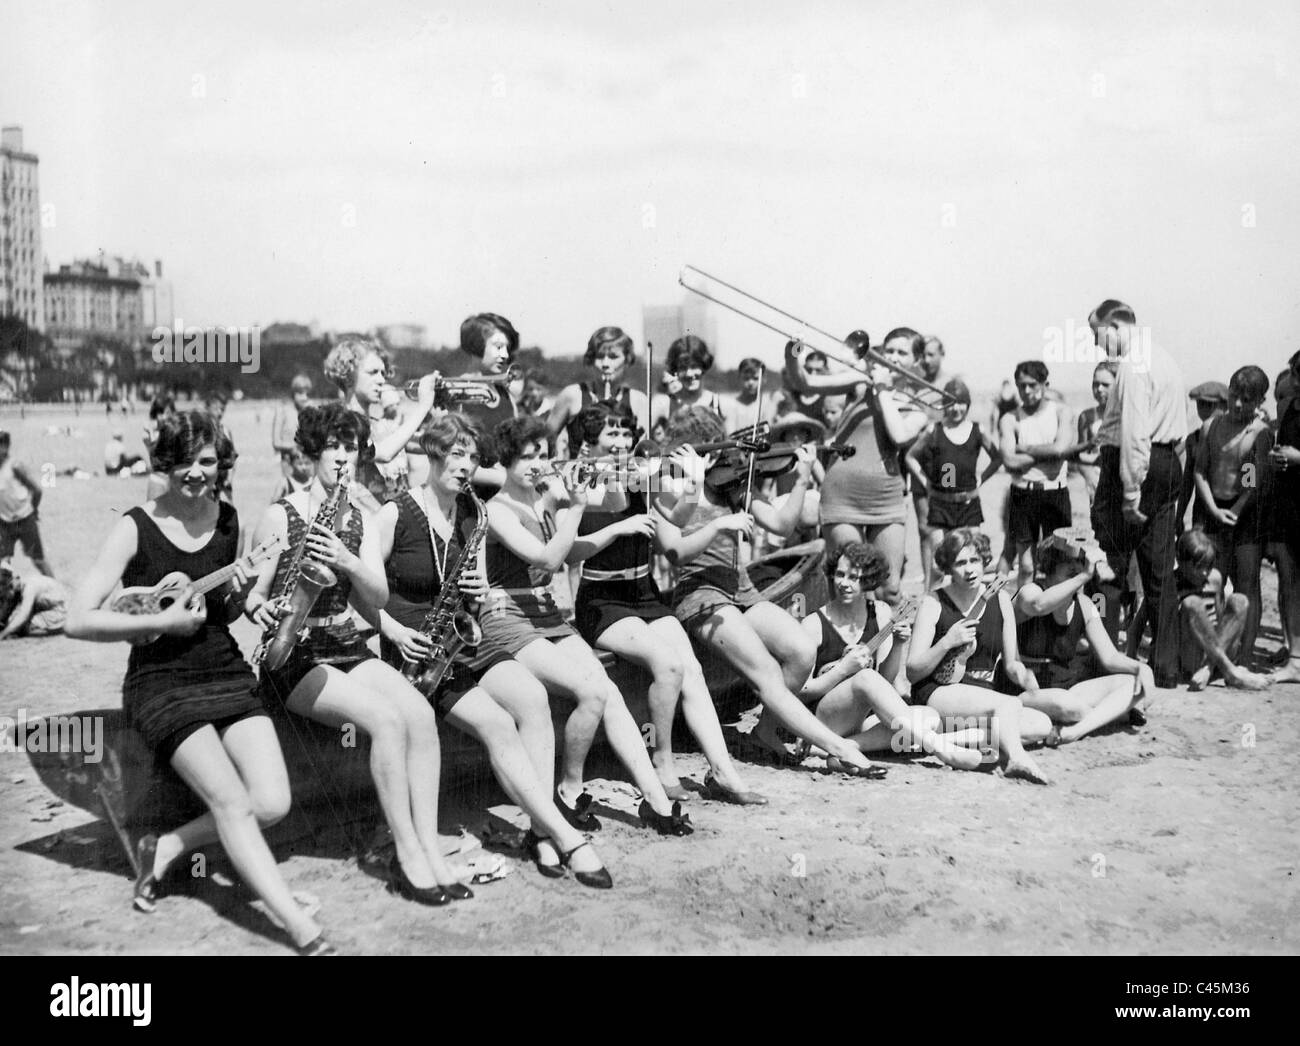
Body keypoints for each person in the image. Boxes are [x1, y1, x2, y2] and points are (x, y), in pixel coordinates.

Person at [65, 412, 331, 954]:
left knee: (273, 801)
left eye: (205, 460)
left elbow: (220, 609)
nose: (194, 472)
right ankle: (295, 924)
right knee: (232, 802)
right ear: (164, 463)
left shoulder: (228, 519)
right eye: (183, 460)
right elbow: (77, 618)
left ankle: (165, 845)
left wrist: (248, 600)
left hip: (223, 669)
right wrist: (160, 623)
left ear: (221, 464)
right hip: (161, 681)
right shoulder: (133, 526)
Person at [373, 412, 612, 887]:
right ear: (433, 454)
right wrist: (395, 633)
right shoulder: (395, 513)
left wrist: (480, 590)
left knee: (535, 700)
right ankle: (563, 835)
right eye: (456, 454)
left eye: (473, 457)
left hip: (464, 639)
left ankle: (540, 833)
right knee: (498, 724)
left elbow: (478, 587)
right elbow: (365, 595)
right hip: (418, 654)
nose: (465, 466)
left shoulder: (473, 514)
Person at [247, 402, 469, 905]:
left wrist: (346, 558)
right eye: (333, 447)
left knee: (418, 713)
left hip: (345, 642)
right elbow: (253, 597)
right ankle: (406, 852)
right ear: (312, 453)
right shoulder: (279, 514)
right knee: (386, 722)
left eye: (351, 447)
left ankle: (430, 846)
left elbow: (378, 597)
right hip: (294, 651)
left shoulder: (360, 519)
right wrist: (259, 608)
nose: (343, 458)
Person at [482, 414, 695, 836]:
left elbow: (574, 548)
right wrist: (576, 505)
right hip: (508, 618)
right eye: (525, 457)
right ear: (505, 463)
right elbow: (545, 559)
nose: (536, 464)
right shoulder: (497, 510)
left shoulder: (541, 499)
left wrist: (618, 522)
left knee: (610, 693)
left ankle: (655, 799)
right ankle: (569, 788)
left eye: (541, 455)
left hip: (546, 614)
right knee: (592, 691)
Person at [655, 406, 880, 775]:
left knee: (802, 650)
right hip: (700, 593)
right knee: (763, 671)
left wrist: (804, 474)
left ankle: (765, 731)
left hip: (741, 588)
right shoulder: (670, 488)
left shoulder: (733, 484)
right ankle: (836, 746)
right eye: (707, 454)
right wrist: (715, 519)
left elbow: (780, 524)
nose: (720, 461)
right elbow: (674, 551)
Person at [566, 401, 765, 804]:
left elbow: (674, 522)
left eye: (626, 433)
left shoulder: (641, 481)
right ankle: (663, 762)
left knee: (690, 666)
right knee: (669, 664)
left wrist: (691, 483)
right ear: (588, 444)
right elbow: (573, 550)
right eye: (612, 435)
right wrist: (623, 519)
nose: (624, 442)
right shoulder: (577, 486)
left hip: (643, 593)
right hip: (603, 600)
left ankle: (723, 772)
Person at [799, 543, 985, 770]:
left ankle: (839, 747)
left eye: (854, 577)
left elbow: (884, 682)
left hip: (863, 718)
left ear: (869, 580)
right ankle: (942, 748)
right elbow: (802, 692)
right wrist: (842, 670)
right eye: (840, 575)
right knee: (866, 678)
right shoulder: (813, 624)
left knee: (929, 717)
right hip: (824, 718)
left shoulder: (880, 612)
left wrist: (898, 644)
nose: (845, 583)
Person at [1088, 300, 1188, 688]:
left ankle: (1106, 664)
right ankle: (1166, 667)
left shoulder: (1132, 365)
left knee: (1110, 569)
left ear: (1115, 326)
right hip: (1166, 464)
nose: (1099, 346)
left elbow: (1134, 435)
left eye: (1098, 335)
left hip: (1135, 468)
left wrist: (1130, 492)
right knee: (1160, 572)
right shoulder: (1165, 359)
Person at [792, 328, 930, 604]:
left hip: (886, 498)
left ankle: (886, 647)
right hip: (843, 495)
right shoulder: (859, 382)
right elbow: (805, 382)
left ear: (916, 361)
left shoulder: (917, 406)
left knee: (889, 589)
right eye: (889, 350)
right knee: (848, 584)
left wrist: (882, 390)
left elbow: (899, 436)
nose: (892, 357)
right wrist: (792, 352)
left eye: (902, 353)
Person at [905, 528, 1054, 784]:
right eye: (960, 563)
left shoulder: (1002, 599)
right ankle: (1017, 758)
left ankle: (938, 740)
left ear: (985, 561)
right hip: (940, 689)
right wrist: (947, 641)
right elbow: (912, 671)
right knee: (1009, 706)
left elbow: (1011, 664)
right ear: (949, 568)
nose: (970, 570)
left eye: (975, 561)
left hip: (982, 692)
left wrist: (1023, 675)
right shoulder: (934, 603)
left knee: (1041, 724)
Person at [1012, 535, 1152, 741]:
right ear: (1050, 566)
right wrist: (1084, 576)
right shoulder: (1031, 590)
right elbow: (1038, 606)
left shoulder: (1084, 603)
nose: (1076, 567)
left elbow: (1110, 657)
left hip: (1069, 685)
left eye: (1079, 561)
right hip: (1030, 686)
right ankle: (1112, 714)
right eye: (1067, 562)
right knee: (1066, 705)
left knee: (1133, 684)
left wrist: (1141, 668)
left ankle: (1074, 731)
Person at [1192, 365, 1273, 671]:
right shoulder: (1211, 426)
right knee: (1212, 582)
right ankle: (1212, 655)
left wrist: (1236, 511)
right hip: (1213, 510)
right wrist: (1213, 509)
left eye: (1248, 400)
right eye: (1235, 396)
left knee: (1247, 586)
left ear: (1260, 401)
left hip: (1246, 515)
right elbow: (1200, 469)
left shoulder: (1259, 433)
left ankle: (1246, 655)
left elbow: (1252, 480)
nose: (1239, 404)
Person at [904, 379, 1001, 590]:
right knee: (938, 565)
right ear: (943, 405)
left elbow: (998, 457)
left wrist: (981, 478)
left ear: (968, 404)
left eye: (961, 403)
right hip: (940, 506)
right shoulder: (935, 430)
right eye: (951, 403)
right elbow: (911, 457)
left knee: (974, 559)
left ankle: (972, 606)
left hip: (969, 506)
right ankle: (932, 609)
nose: (956, 408)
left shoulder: (977, 430)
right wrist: (926, 482)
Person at [323, 337, 434, 507]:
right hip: (366, 523)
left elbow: (431, 445)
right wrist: (423, 406)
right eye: (373, 372)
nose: (382, 380)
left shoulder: (382, 425)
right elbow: (383, 453)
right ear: (348, 375)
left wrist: (438, 416)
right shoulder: (342, 423)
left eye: (383, 373)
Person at [999, 361, 1074, 589]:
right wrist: (1048, 452)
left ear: (1045, 384)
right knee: (1026, 565)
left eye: (1032, 385)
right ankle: (1023, 620)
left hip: (1055, 493)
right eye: (1021, 386)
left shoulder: (1061, 411)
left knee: (1058, 561)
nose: (1027, 391)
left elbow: (1061, 449)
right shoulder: (1010, 418)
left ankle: (1056, 617)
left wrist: (1026, 449)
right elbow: (1010, 461)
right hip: (1023, 493)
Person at [1172, 528, 1271, 690]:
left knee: (1240, 600)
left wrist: (1210, 663)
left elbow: (1220, 619)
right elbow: (1141, 621)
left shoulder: (1214, 579)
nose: (1204, 573)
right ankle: (1229, 671)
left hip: (1216, 653)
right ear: (1181, 560)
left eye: (1208, 566)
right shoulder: (1170, 583)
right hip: (1191, 655)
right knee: (1192, 603)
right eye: (1198, 567)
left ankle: (1211, 669)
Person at [547, 326, 652, 457]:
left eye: (613, 357)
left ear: (627, 359)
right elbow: (546, 440)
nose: (605, 363)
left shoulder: (638, 400)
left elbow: (643, 451)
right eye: (599, 356)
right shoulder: (572, 395)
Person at [1268, 350, 1300, 682]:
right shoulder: (1284, 412)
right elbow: (1253, 469)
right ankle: (1294, 653)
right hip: (1286, 504)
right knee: (1289, 581)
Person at [1176, 381, 1228, 531]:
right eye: (1201, 404)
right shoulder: (1194, 439)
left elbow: (1249, 472)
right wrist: (1179, 516)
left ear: (1225, 405)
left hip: (1234, 508)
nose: (1205, 409)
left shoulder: (1241, 435)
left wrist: (1244, 502)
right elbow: (1187, 482)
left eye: (1210, 405)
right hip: (1203, 512)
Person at [0, 430, 52, 576]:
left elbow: (37, 490)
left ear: (6, 447)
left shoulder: (15, 466)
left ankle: (58, 592)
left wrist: (34, 510)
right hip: (4, 523)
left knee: (38, 560)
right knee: (3, 562)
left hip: (24, 519)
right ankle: (7, 595)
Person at [1073, 361, 1118, 505]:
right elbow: (1079, 455)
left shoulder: (1128, 414)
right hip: (1098, 480)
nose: (1099, 389)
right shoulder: (1087, 416)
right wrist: (1089, 476)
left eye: (1105, 385)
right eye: (1095, 384)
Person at [652, 335, 725, 423]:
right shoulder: (662, 404)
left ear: (703, 366)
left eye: (694, 366)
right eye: (683, 368)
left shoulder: (722, 405)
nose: (689, 374)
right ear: (675, 370)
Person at [271, 374, 315, 499]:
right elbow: (276, 442)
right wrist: (293, 448)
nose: (304, 398)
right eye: (300, 394)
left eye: (307, 394)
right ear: (293, 393)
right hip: (289, 462)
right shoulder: (283, 410)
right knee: (289, 495)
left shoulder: (309, 412)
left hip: (307, 462)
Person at [0, 561, 68, 638]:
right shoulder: (19, 585)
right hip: (50, 607)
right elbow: (8, 609)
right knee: (13, 622)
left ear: (17, 578)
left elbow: (23, 616)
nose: (10, 590)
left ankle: (58, 627)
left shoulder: (30, 587)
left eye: (11, 586)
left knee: (22, 626)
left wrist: (3, 634)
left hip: (61, 610)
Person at [722, 357, 779, 436]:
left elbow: (770, 432)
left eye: (755, 378)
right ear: (739, 378)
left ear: (764, 379)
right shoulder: (731, 406)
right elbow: (730, 436)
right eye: (746, 378)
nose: (750, 383)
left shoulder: (769, 404)